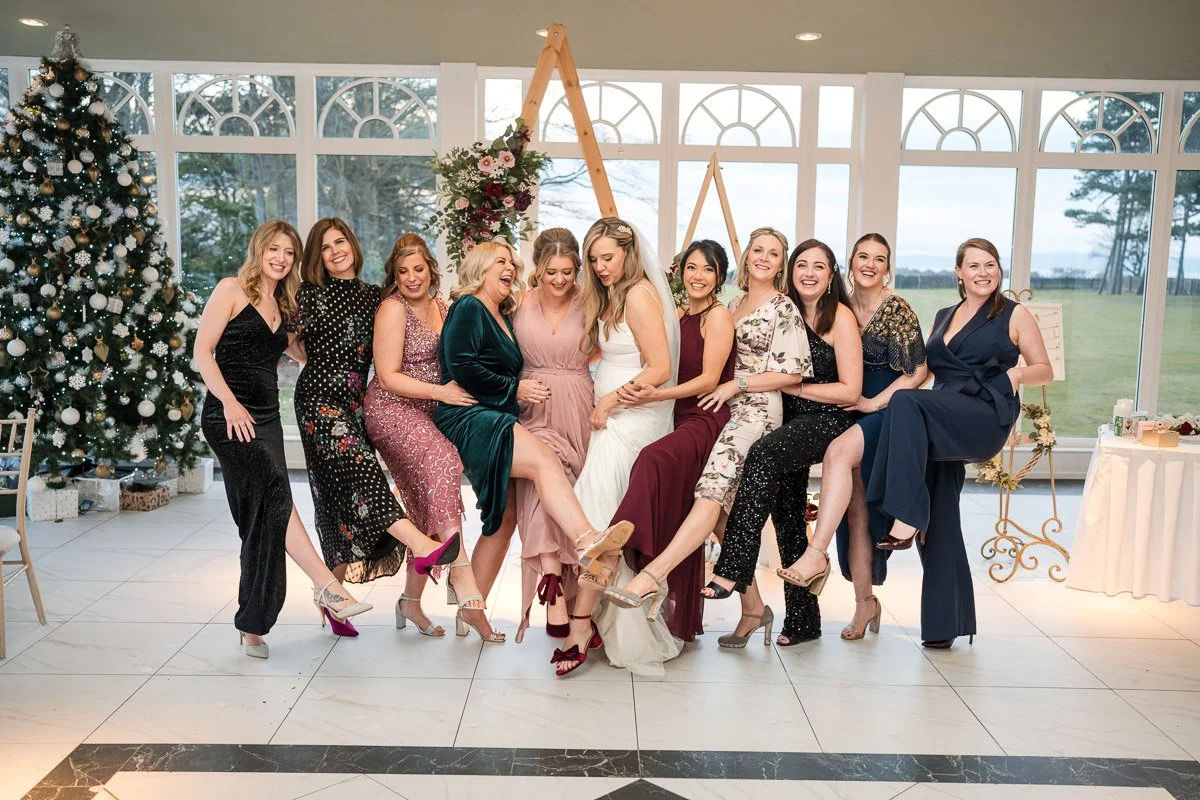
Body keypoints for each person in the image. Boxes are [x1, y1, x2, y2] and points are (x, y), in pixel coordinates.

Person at [604, 227, 810, 657]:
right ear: (745, 256)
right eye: (757, 250)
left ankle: (650, 575)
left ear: (781, 261)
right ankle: (753, 608)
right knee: (715, 513)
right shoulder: (733, 304)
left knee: (708, 492)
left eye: (774, 253)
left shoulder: (782, 306)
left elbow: (793, 373)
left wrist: (738, 383)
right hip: (721, 409)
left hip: (753, 411)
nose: (764, 258)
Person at [196, 220, 386, 659]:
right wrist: (227, 402)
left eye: (289, 253)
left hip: (265, 415)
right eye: (274, 250)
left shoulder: (284, 305)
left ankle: (253, 625)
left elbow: (305, 352)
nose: (281, 258)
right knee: (277, 494)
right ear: (259, 248)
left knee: (261, 520)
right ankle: (328, 587)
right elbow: (201, 353)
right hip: (229, 414)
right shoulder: (230, 289)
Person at [434, 239, 633, 646]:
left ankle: (473, 610)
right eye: (499, 262)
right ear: (538, 270)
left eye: (511, 261)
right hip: (491, 413)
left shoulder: (503, 309)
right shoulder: (476, 305)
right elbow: (461, 364)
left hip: (550, 405)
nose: (508, 267)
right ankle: (578, 550)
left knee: (506, 516)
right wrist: (515, 390)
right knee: (545, 468)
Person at [868, 237, 1052, 648]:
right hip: (943, 412)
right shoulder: (943, 314)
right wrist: (870, 403)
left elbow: (1044, 369)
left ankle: (903, 515)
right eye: (974, 266)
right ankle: (944, 626)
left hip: (985, 412)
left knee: (906, 405)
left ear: (999, 270)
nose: (983, 272)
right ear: (958, 272)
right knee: (943, 512)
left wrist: (1016, 376)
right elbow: (923, 376)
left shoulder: (1014, 313)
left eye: (990, 265)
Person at [292, 218, 460, 638]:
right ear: (318, 256)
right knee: (365, 476)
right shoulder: (308, 294)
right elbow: (288, 339)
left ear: (353, 244)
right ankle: (423, 547)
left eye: (340, 241)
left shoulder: (375, 298)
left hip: (354, 404)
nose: (335, 251)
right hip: (317, 401)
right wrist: (310, 364)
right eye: (325, 247)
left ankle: (331, 595)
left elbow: (406, 320)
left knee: (337, 502)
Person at [705, 239, 863, 647]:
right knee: (788, 514)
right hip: (787, 418)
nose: (809, 273)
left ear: (831, 277)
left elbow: (850, 391)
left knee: (763, 454)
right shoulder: (783, 312)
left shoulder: (839, 317)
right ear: (790, 271)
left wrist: (797, 387)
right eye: (802, 266)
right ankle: (804, 621)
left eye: (819, 267)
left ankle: (733, 564)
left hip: (830, 420)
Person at [778, 233, 927, 641]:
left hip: (886, 410)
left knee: (839, 455)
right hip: (846, 407)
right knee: (856, 511)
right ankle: (866, 605)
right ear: (850, 262)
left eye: (879, 259)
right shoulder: (838, 307)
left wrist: (873, 403)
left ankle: (815, 554)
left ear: (887, 267)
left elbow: (918, 372)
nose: (870, 264)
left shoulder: (896, 308)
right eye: (863, 256)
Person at [363, 233, 499, 641]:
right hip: (391, 409)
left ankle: (410, 602)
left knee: (423, 506)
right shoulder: (392, 308)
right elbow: (387, 376)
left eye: (418, 269)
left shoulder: (445, 307)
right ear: (394, 275)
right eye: (402, 271)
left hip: (429, 412)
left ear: (430, 269)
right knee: (443, 459)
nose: (411, 277)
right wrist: (442, 393)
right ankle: (464, 579)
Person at [603, 239, 735, 642]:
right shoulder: (675, 315)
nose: (698, 276)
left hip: (705, 418)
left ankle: (627, 545)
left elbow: (709, 380)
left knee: (651, 459)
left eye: (708, 270)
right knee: (701, 516)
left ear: (719, 277)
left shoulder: (719, 317)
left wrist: (655, 395)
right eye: (692, 268)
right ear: (679, 273)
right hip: (674, 415)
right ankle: (754, 609)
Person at [509, 228, 594, 643]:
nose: (558, 280)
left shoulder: (592, 301)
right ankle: (552, 583)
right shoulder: (517, 303)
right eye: (550, 272)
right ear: (537, 269)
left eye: (566, 271)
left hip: (578, 404)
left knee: (569, 492)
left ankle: (571, 591)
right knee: (541, 482)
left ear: (577, 269)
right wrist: (516, 387)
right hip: (532, 406)